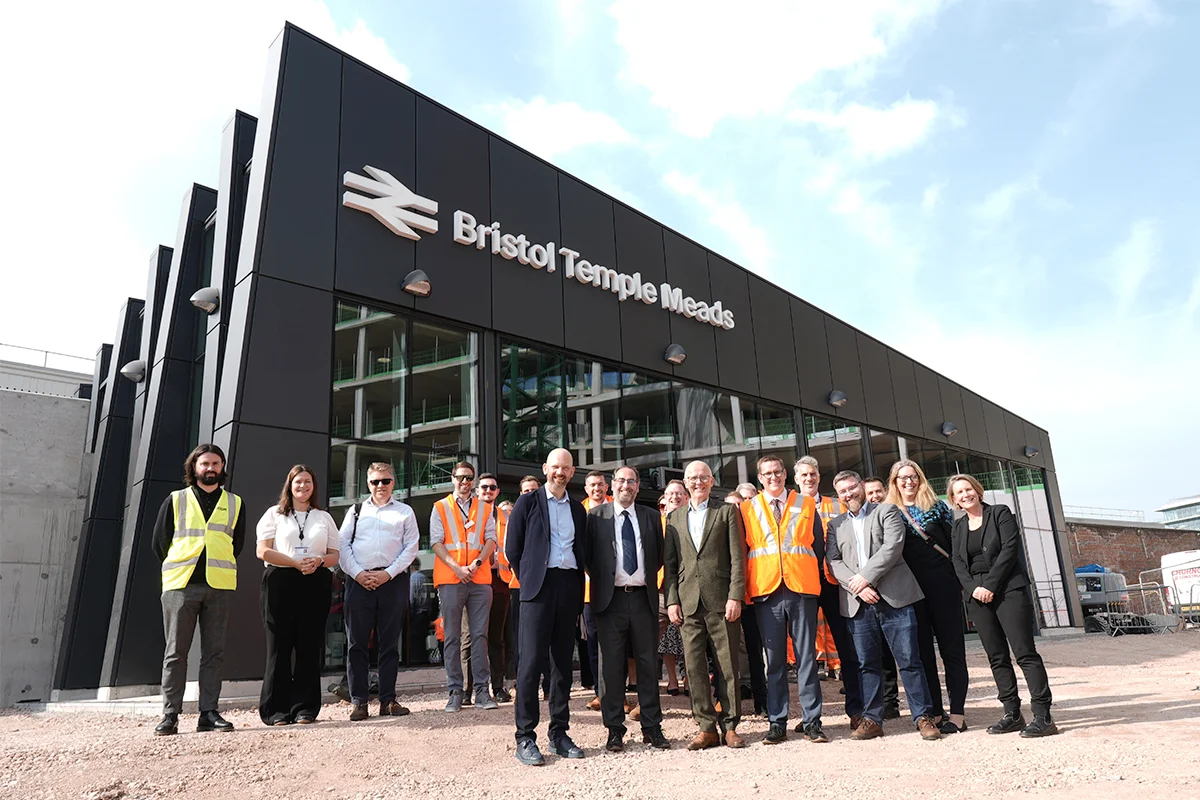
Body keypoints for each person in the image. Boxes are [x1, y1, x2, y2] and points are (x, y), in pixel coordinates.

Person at [826, 470, 942, 741]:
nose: (848, 494)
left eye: (852, 488)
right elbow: (833, 561)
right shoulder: (836, 525)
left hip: (895, 598)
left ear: (862, 487)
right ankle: (872, 719)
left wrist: (865, 578)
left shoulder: (886, 511)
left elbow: (892, 547)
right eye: (842, 491)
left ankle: (923, 717)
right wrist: (860, 587)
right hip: (858, 603)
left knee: (910, 661)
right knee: (867, 664)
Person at [948, 474, 1057, 738]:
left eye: (968, 489)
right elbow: (958, 563)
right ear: (954, 500)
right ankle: (1012, 714)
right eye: (959, 492)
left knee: (1024, 653)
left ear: (977, 490)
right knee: (996, 657)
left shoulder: (1000, 513)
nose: (965, 494)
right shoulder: (958, 527)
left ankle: (1043, 716)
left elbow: (1009, 550)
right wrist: (974, 589)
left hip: (1008, 590)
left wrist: (991, 585)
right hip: (977, 597)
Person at [152, 443, 245, 736]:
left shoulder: (235, 503)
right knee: (175, 653)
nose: (210, 468)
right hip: (181, 585)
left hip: (219, 585)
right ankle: (170, 715)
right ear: (194, 467)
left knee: (213, 653)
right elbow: (160, 542)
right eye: (205, 464)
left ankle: (209, 713)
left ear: (222, 468)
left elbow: (237, 544)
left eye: (216, 463)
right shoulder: (176, 500)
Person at [506, 449, 588, 766]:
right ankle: (525, 737)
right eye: (555, 467)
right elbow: (513, 548)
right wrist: (529, 577)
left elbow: (581, 549)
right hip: (537, 588)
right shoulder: (527, 503)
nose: (560, 472)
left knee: (562, 666)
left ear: (572, 471)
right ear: (545, 469)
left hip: (568, 587)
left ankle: (559, 733)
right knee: (530, 665)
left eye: (565, 468)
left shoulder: (578, 510)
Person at [585, 466, 671, 752]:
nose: (626, 486)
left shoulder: (650, 516)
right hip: (611, 602)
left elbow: (658, 557)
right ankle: (614, 729)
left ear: (637, 487)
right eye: (621, 480)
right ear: (612, 485)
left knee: (648, 664)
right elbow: (588, 557)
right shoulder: (595, 517)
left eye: (631, 481)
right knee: (611, 667)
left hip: (643, 599)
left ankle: (652, 727)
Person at [742, 455, 827, 745]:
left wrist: (809, 579)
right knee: (774, 661)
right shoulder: (747, 508)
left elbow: (817, 545)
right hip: (766, 590)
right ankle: (776, 722)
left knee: (806, 658)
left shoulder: (805, 503)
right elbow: (744, 550)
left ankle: (812, 721)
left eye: (777, 471)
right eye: (767, 473)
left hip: (801, 588)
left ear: (784, 474)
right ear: (760, 478)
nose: (773, 477)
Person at [664, 460, 746, 750]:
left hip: (722, 600)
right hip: (687, 601)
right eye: (692, 478)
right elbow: (670, 565)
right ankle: (706, 727)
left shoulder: (726, 512)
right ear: (685, 483)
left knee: (727, 665)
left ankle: (731, 726)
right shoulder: (673, 518)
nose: (698, 482)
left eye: (703, 477)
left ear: (711, 481)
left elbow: (738, 558)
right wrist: (671, 599)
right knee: (695, 667)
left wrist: (736, 595)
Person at [886, 460, 969, 734]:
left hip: (942, 587)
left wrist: (961, 581)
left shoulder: (937, 507)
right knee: (922, 655)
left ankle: (957, 713)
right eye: (902, 478)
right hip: (909, 592)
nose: (908, 482)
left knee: (952, 651)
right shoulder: (887, 512)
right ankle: (933, 710)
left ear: (920, 479)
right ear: (894, 482)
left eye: (913, 477)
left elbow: (955, 547)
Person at [255, 465, 339, 725]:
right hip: (281, 581)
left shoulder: (323, 517)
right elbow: (263, 551)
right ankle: (275, 711)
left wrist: (317, 561)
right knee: (279, 647)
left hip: (315, 582)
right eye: (298, 482)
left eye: (308, 482)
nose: (303, 487)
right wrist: (294, 562)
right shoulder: (274, 515)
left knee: (309, 646)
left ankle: (304, 708)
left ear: (314, 487)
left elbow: (335, 555)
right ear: (289, 485)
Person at [339, 462, 420, 721]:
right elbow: (342, 546)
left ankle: (388, 700)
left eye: (385, 481)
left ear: (393, 482)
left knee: (389, 645)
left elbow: (411, 548)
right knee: (357, 644)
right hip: (358, 581)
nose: (381, 486)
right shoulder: (355, 511)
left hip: (392, 581)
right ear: (368, 484)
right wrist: (359, 574)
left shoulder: (405, 512)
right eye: (375, 482)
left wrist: (387, 574)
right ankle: (359, 702)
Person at [794, 455, 863, 730]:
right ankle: (811, 717)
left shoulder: (837, 504)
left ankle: (856, 710)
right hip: (803, 584)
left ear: (818, 476)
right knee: (805, 652)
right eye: (803, 475)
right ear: (795, 479)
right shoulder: (790, 506)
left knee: (847, 648)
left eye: (813, 474)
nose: (809, 478)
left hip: (836, 584)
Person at [430, 461, 498, 712]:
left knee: (480, 636)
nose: (465, 482)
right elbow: (436, 543)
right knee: (452, 637)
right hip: (451, 579)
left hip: (479, 579)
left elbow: (491, 539)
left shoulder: (484, 508)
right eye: (460, 477)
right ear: (453, 479)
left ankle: (482, 691)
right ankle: (455, 691)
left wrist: (477, 563)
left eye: (469, 477)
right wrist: (458, 568)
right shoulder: (440, 507)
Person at [508, 477, 550, 702]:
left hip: (548, 587)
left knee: (549, 642)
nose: (530, 493)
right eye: (526, 491)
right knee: (524, 641)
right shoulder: (518, 513)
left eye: (534, 490)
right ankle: (523, 687)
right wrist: (527, 577)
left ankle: (549, 687)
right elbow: (512, 550)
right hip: (521, 587)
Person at [862, 474, 899, 718]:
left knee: (905, 652)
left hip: (894, 589)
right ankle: (889, 703)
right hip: (867, 592)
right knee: (881, 654)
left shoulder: (890, 512)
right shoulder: (859, 521)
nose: (875, 496)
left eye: (878, 491)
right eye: (870, 493)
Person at [478, 474, 513, 702]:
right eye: (484, 487)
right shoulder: (470, 514)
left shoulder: (506, 517)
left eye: (492, 487)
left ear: (497, 491)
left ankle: (498, 687)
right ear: (478, 491)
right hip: (476, 580)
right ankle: (469, 690)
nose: (488, 491)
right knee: (473, 637)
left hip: (500, 580)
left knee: (496, 637)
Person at [581, 471, 611, 711]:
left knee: (616, 641)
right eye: (592, 484)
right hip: (588, 591)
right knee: (593, 642)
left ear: (606, 486)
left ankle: (617, 692)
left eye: (600, 484)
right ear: (586, 488)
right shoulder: (577, 511)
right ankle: (600, 692)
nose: (597, 488)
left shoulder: (616, 508)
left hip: (615, 588)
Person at [658, 480, 688, 696]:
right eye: (670, 494)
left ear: (686, 498)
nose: (675, 497)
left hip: (688, 588)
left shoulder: (693, 520)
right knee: (657, 639)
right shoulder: (655, 522)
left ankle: (692, 682)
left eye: (679, 493)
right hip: (660, 589)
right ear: (664, 500)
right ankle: (668, 681)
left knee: (691, 637)